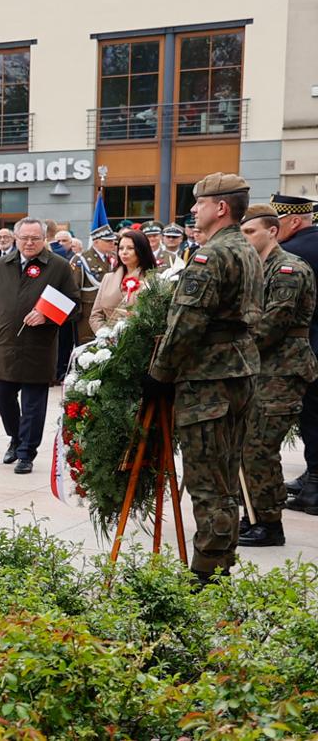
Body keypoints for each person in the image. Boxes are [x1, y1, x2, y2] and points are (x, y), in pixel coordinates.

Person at [146, 173, 262, 586]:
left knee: (207, 482)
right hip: (239, 371)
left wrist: (159, 372)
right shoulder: (246, 249)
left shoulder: (209, 256)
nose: (193, 210)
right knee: (226, 477)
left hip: (208, 380)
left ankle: (206, 575)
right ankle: (221, 561)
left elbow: (187, 321)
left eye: (199, 203)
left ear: (221, 208)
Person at [236, 204, 316, 548]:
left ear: (273, 230)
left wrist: (225, 344)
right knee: (247, 447)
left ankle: (269, 524)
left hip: (282, 371)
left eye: (251, 232)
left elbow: (271, 325)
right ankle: (253, 515)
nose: (245, 239)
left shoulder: (288, 269)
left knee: (259, 449)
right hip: (260, 370)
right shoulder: (254, 268)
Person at [0, 218, 79, 476]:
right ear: (15, 239)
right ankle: (15, 437)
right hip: (4, 343)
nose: (29, 243)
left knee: (33, 404)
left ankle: (26, 452)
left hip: (38, 346)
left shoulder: (59, 266)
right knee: (2, 394)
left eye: (35, 238)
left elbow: (74, 304)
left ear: (44, 239)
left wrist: (47, 315)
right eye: (24, 238)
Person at [272, 193, 318, 514]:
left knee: (312, 413)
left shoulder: (291, 253)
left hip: (309, 346)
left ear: (295, 221)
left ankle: (315, 483)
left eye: (279, 224)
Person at [90, 227, 159, 332]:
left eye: (130, 248)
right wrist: (103, 333)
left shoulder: (154, 280)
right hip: (107, 339)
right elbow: (95, 315)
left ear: (142, 250)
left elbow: (156, 318)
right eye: (121, 248)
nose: (124, 252)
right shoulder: (108, 278)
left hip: (138, 340)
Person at [69, 225, 119, 347]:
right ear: (96, 241)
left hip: (109, 310)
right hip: (88, 310)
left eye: (113, 240)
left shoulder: (113, 258)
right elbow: (73, 287)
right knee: (87, 345)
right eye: (108, 241)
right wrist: (76, 312)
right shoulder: (81, 259)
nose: (112, 243)